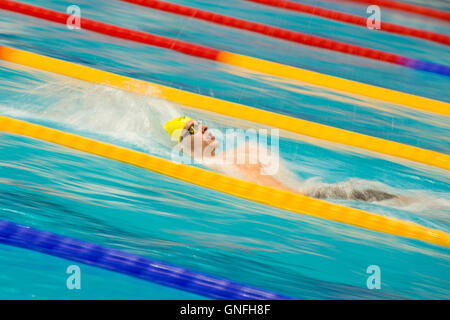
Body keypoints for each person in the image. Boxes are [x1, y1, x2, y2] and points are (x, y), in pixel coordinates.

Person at [163, 116, 406, 203]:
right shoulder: (211, 166)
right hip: (307, 199)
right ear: (185, 142)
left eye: (201, 122)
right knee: (376, 196)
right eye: (194, 128)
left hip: (310, 194)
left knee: (375, 194)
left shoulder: (230, 155)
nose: (204, 126)